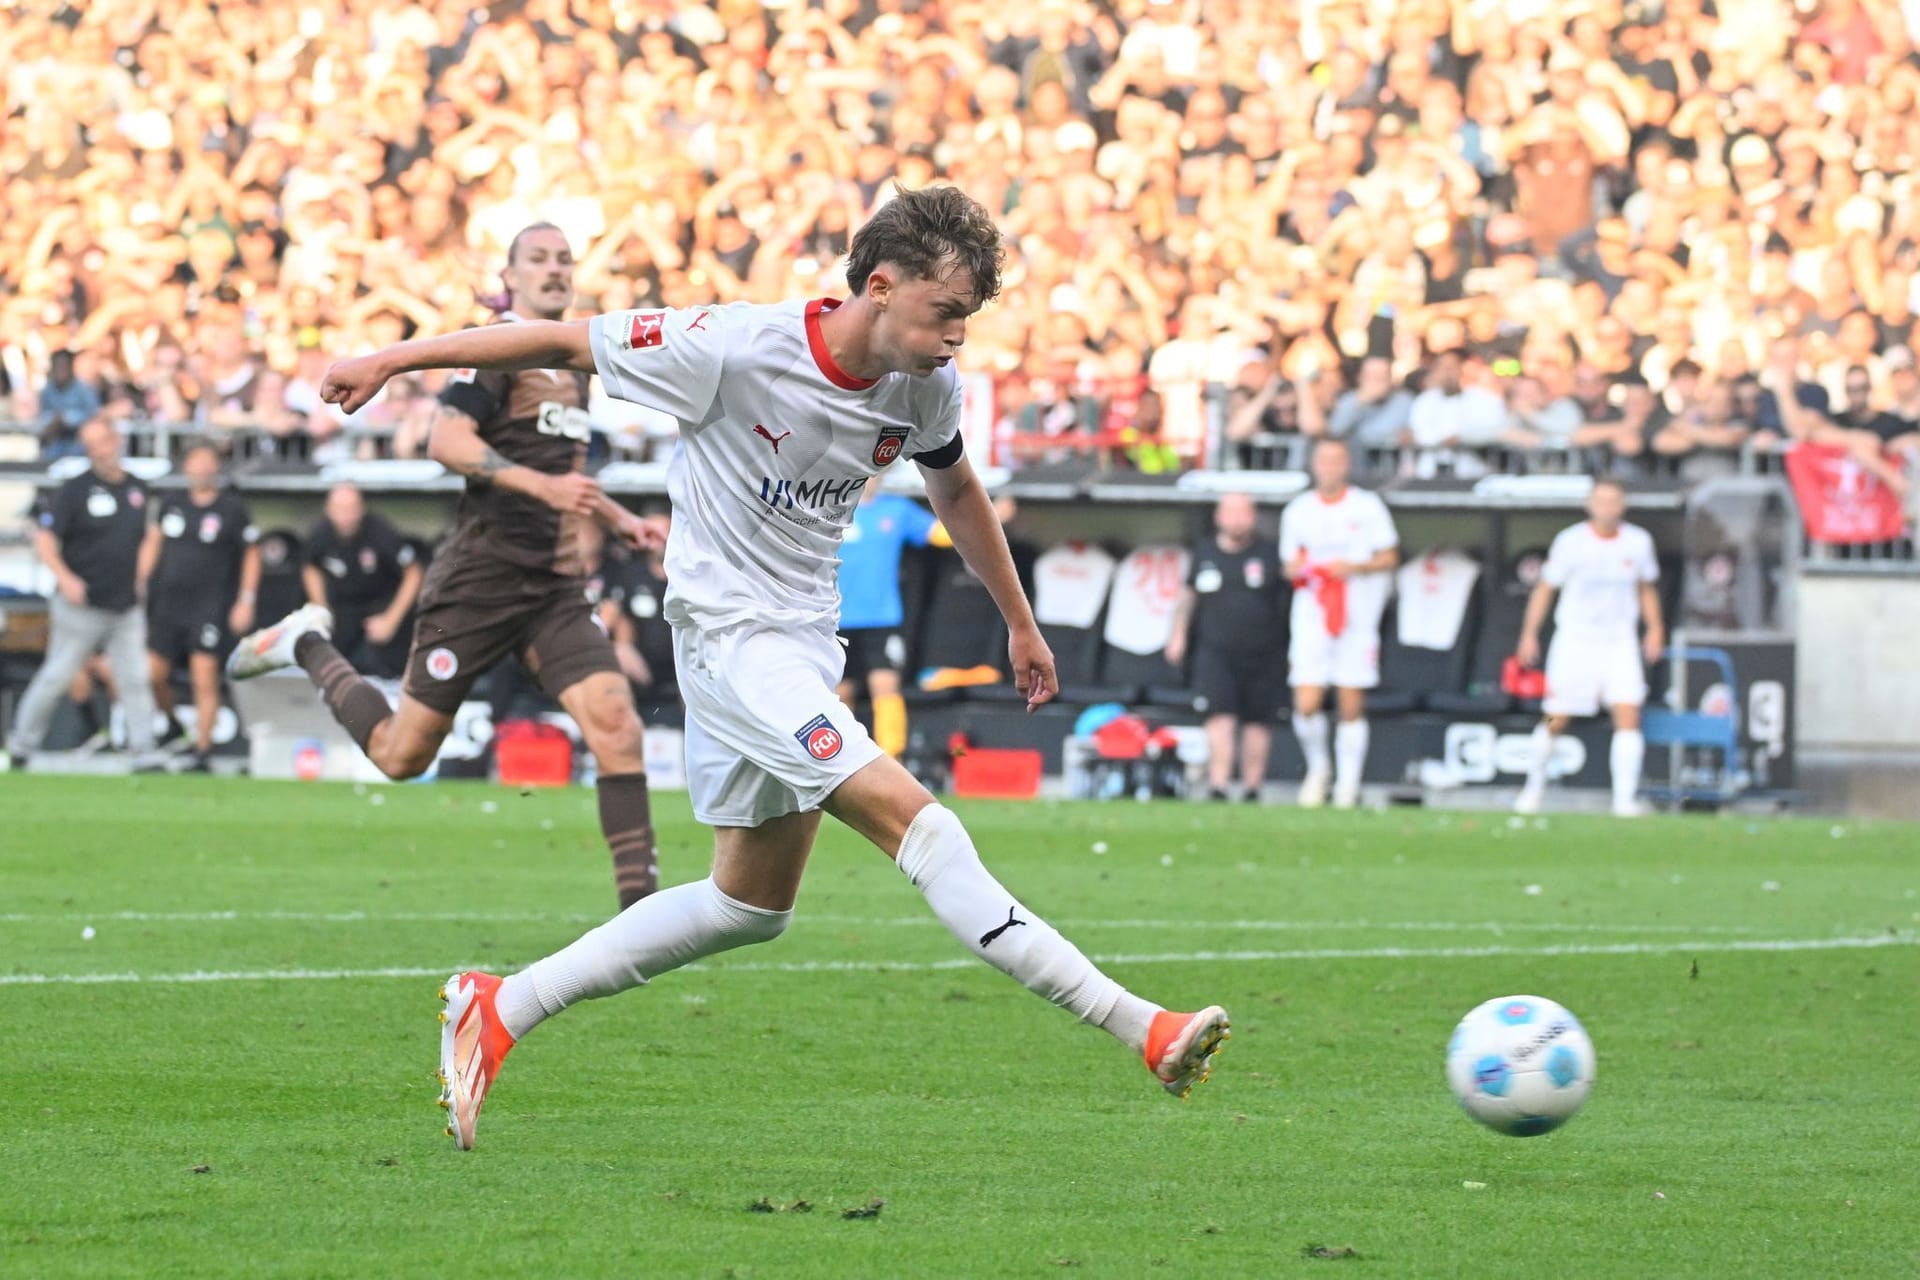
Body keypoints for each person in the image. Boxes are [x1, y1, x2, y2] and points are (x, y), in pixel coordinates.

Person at [312, 186, 1230, 1149]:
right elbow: (558, 342)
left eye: (968, 318)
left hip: (798, 646)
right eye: (946, 313)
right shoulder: (733, 345)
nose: (959, 336)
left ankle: (498, 1009)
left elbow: (954, 482)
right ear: (880, 286)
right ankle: (1142, 1027)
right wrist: (392, 359)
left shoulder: (923, 383)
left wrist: (1020, 621)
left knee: (747, 906)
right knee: (925, 829)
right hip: (728, 643)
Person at [231, 224, 665, 911]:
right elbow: (448, 440)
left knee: (617, 725)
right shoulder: (498, 348)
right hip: (480, 581)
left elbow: (564, 476)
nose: (555, 271)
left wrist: (618, 520)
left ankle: (641, 914)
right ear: (512, 275)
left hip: (551, 588)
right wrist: (540, 488)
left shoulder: (574, 363)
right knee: (402, 757)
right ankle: (304, 644)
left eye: (564, 260)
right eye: (539, 260)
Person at [6, 419, 160, 768]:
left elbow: (151, 534)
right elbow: (45, 539)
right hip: (81, 605)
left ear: (115, 440)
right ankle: (21, 744)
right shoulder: (75, 490)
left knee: (135, 676)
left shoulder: (137, 488)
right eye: (89, 445)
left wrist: (141, 577)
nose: (98, 451)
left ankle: (144, 748)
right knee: (57, 675)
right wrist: (66, 578)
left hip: (125, 604)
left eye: (101, 442)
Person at [1513, 479, 1664, 818]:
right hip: (1576, 641)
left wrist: (1655, 629)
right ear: (1590, 504)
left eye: (1613, 500)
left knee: (1628, 715)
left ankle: (1624, 801)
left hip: (1618, 640)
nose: (1607, 507)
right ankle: (1532, 789)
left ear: (1622, 504)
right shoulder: (1571, 542)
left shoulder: (1638, 542)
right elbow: (1545, 588)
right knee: (1556, 716)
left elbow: (1646, 588)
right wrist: (1529, 634)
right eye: (1601, 500)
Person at [1280, 439, 1400, 809]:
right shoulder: (1298, 510)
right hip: (1313, 613)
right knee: (1307, 699)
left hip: (1356, 615)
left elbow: (1390, 555)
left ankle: (1349, 784)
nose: (1329, 467)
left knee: (1350, 700)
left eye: (1336, 460)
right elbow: (1288, 565)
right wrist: (1301, 570)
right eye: (1323, 459)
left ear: (1346, 464)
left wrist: (1351, 568)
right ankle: (1319, 769)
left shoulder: (1367, 506)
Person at [139, 442, 260, 770]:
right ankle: (172, 722)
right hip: (167, 604)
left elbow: (251, 553)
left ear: (216, 468)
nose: (202, 469)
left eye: (208, 462)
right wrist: (140, 584)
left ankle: (202, 750)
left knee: (203, 676)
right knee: (152, 674)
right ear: (186, 468)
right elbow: (153, 542)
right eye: (197, 462)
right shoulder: (172, 504)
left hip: (209, 605)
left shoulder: (231, 508)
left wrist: (245, 600)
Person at [1165, 492, 1285, 802]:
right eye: (1231, 512)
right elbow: (1188, 596)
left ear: (1253, 516)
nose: (1237, 519)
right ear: (1219, 516)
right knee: (1219, 716)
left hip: (1264, 652)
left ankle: (1252, 788)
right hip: (1215, 650)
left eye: (1243, 512)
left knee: (1258, 722)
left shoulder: (1270, 554)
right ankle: (1218, 786)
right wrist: (1177, 635)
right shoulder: (1204, 552)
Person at [835, 482, 948, 756]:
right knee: (839, 695)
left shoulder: (896, 510)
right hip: (834, 618)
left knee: (885, 687)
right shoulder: (829, 507)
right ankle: (841, 763)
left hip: (881, 618)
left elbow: (941, 535)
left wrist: (988, 516)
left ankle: (892, 760)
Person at [301, 484, 423, 679]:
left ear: (362, 508)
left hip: (379, 607)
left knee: (379, 664)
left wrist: (391, 620)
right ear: (329, 510)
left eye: (352, 509)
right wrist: (321, 607)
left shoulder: (380, 531)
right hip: (344, 611)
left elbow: (414, 573)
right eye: (340, 510)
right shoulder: (320, 533)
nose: (346, 516)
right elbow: (310, 567)